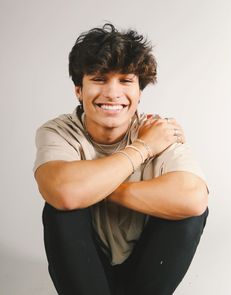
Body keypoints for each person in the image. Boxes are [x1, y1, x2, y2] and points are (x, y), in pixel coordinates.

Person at [33, 23, 209, 295]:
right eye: (100, 79)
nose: (113, 93)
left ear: (139, 92)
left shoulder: (158, 131)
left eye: (126, 81)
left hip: (144, 271)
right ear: (79, 90)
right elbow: (64, 193)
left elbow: (194, 198)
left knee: (187, 214)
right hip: (87, 270)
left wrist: (92, 188)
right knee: (60, 210)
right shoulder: (58, 131)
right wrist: (142, 148)